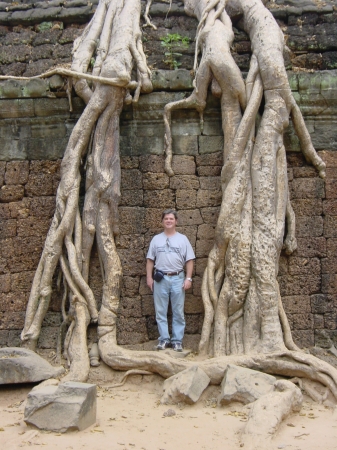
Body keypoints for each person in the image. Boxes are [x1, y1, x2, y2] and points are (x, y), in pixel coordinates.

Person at [146, 209, 195, 352]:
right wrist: (149, 278)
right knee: (160, 311)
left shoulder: (183, 239)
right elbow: (150, 260)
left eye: (171, 219)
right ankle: (163, 339)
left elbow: (189, 260)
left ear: (176, 222)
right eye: (166, 218)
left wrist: (189, 278)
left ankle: (177, 340)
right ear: (162, 222)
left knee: (178, 311)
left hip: (178, 278)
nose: (168, 221)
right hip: (160, 278)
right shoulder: (156, 239)